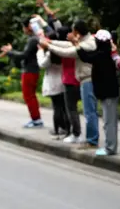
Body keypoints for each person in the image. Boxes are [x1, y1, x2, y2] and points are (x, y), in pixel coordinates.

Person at [40, 20, 98, 149]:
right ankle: (90, 139)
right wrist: (51, 42)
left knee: (89, 112)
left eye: (73, 31)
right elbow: (67, 45)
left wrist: (49, 47)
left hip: (88, 79)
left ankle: (92, 140)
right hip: (83, 79)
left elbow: (68, 52)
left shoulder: (88, 43)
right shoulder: (84, 42)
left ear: (77, 32)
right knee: (86, 111)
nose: (71, 34)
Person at [77, 30, 120, 156]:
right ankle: (110, 146)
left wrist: (77, 45)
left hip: (109, 93)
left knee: (109, 122)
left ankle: (110, 148)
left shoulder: (102, 55)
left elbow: (86, 57)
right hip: (108, 92)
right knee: (109, 121)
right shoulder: (106, 53)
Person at [1, 19, 43, 128]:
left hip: (30, 71)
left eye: (23, 27)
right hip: (31, 70)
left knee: (29, 96)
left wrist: (10, 52)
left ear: (27, 27)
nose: (23, 30)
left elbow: (24, 55)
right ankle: (35, 118)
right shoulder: (33, 39)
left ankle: (36, 119)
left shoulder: (33, 40)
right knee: (30, 96)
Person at [37, 31, 68, 138]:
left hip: (52, 82)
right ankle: (66, 128)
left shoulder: (50, 54)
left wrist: (40, 51)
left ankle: (57, 129)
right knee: (64, 106)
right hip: (63, 80)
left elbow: (42, 64)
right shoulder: (62, 51)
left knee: (57, 107)